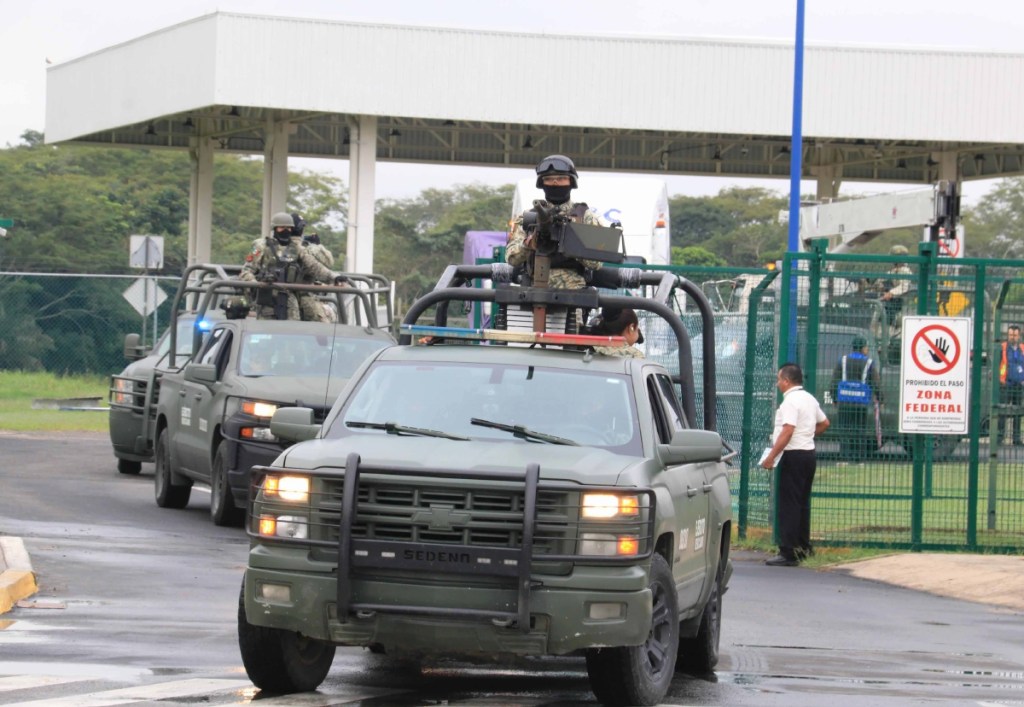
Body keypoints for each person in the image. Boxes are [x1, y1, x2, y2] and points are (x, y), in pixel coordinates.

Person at [760, 363, 830, 567]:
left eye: (779, 379)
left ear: (787, 381)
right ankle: (803, 546)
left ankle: (788, 551)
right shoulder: (809, 398)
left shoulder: (790, 401)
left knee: (789, 503)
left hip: (793, 456)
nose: (777, 383)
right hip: (808, 454)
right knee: (801, 502)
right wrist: (808, 434)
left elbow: (788, 430)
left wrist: (772, 455)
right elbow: (825, 423)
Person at [505, 154, 603, 290]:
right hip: (534, 292)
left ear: (571, 182)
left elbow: (596, 263)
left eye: (561, 178)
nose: (555, 183)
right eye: (549, 179)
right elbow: (512, 259)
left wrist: (571, 242)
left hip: (574, 295)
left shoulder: (585, 217)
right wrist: (529, 244)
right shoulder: (529, 217)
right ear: (541, 183)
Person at [239, 211, 342, 320]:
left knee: (292, 330)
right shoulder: (262, 246)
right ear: (275, 228)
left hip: (289, 300)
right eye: (282, 227)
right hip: (267, 299)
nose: (286, 231)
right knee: (267, 331)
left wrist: (334, 277)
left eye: (289, 228)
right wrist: (258, 285)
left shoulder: (297, 248)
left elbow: (314, 266)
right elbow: (246, 271)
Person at [831, 336, 881, 460]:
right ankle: (859, 458)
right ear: (863, 348)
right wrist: (880, 398)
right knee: (859, 430)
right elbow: (875, 382)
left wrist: (834, 398)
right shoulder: (869, 362)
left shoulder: (842, 361)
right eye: (866, 347)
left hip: (844, 401)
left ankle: (845, 457)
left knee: (845, 431)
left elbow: (834, 381)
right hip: (860, 403)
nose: (867, 349)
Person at [292, 213, 336, 323]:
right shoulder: (307, 249)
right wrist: (317, 245)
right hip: (303, 297)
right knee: (326, 322)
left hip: (292, 295)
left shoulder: (277, 245)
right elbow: (329, 262)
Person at [998, 324, 1024, 445]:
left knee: (1018, 412)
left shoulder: (1022, 349)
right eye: (1010, 335)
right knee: (1002, 411)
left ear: (1019, 335)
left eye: (1014, 335)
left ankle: (1016, 438)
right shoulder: (1002, 348)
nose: (1012, 337)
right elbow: (998, 364)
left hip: (1019, 385)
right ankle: (999, 437)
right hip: (1005, 384)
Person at [880, 244, 912, 333]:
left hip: (902, 307)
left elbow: (904, 287)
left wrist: (891, 293)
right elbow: (882, 279)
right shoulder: (893, 271)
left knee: (898, 331)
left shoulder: (905, 271)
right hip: (893, 306)